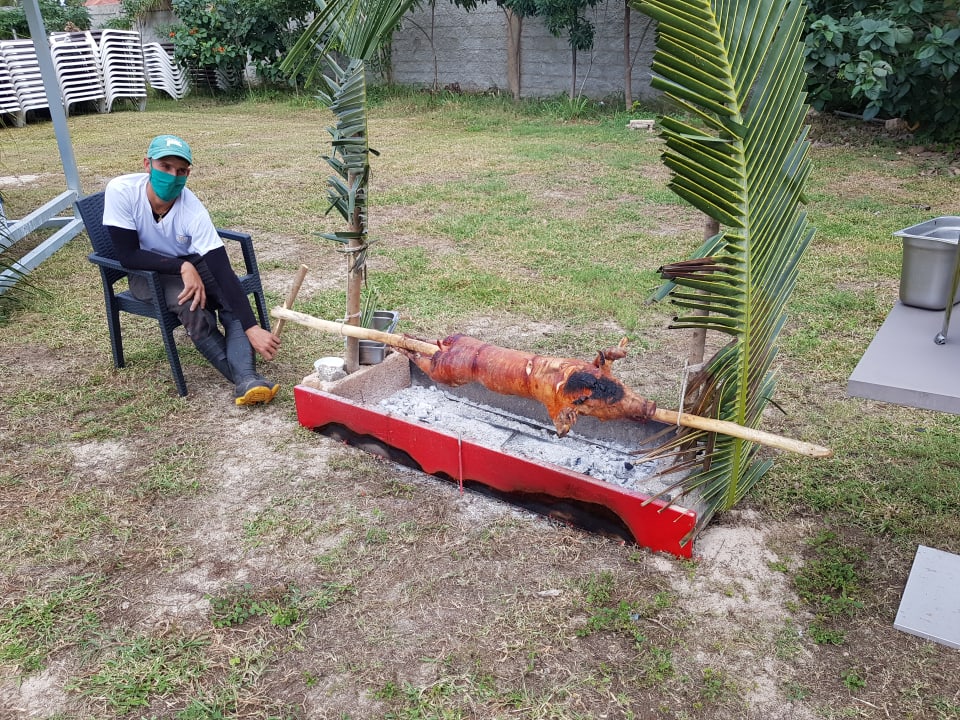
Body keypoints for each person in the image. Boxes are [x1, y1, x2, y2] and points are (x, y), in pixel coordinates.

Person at [103, 134, 281, 405]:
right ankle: (246, 379)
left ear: (188, 173)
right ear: (147, 164)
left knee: (230, 297)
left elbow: (223, 271)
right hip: (146, 272)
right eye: (165, 166)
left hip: (190, 261)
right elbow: (128, 255)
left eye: (181, 170)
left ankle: (246, 380)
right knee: (192, 306)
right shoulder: (121, 190)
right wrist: (182, 266)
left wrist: (251, 327)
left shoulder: (192, 209)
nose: (172, 176)